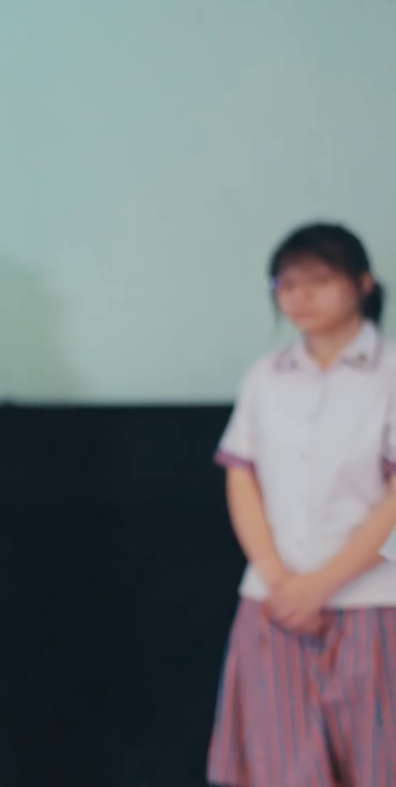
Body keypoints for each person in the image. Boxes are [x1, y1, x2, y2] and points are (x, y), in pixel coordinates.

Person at [208, 222, 396, 786]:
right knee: (281, 766)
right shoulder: (266, 375)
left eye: (319, 280)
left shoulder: (390, 372)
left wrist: (323, 584)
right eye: (286, 284)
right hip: (274, 602)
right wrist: (280, 580)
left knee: (378, 763)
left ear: (362, 283)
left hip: (374, 601)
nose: (300, 295)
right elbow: (242, 478)